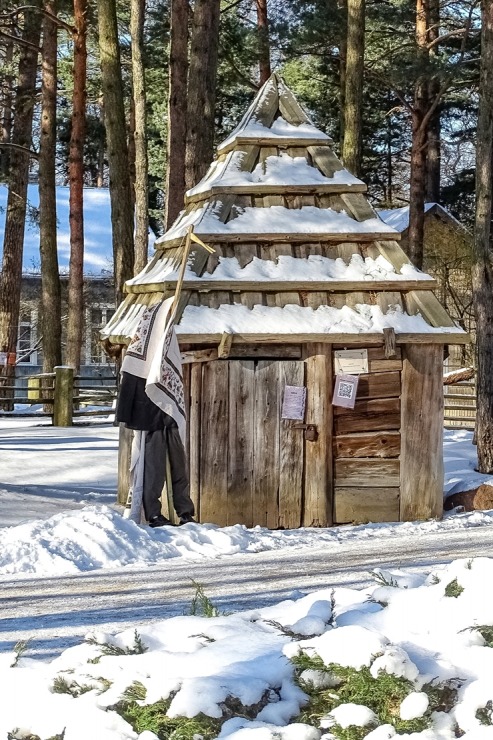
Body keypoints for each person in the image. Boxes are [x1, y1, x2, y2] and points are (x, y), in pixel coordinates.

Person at [116, 370, 196, 527]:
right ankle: (153, 514)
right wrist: (124, 415)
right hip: (150, 417)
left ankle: (185, 512)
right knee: (154, 470)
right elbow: (129, 379)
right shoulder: (139, 355)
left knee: (179, 467)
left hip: (172, 416)